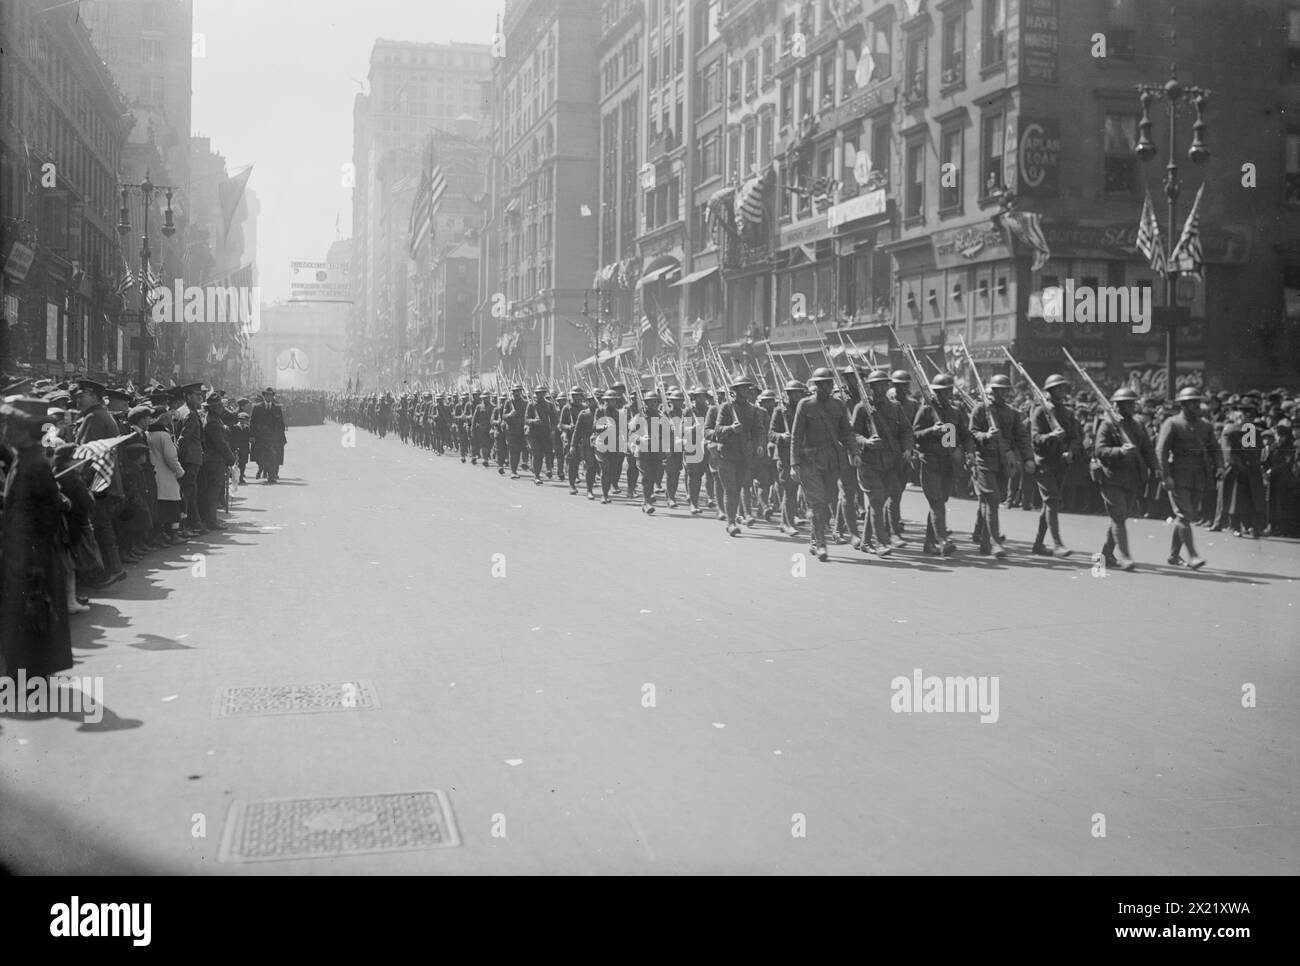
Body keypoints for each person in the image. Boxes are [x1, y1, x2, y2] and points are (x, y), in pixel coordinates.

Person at [0, 396, 74, 679]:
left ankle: (34, 675)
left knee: (34, 613)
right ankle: (27, 672)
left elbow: (46, 513)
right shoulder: (25, 460)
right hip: (23, 552)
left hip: (33, 556)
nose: (6, 433)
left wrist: (31, 554)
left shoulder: (35, 465)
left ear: (25, 432)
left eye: (12, 429)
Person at [790, 368, 861, 562]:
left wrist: (854, 452)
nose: (827, 387)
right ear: (816, 385)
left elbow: (847, 432)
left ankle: (814, 539)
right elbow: (796, 436)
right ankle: (821, 544)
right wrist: (793, 463)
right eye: (822, 384)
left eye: (829, 384)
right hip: (810, 462)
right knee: (818, 503)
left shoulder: (838, 405)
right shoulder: (805, 405)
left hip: (832, 461)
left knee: (828, 501)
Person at [1092, 387, 1160, 571]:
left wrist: (1155, 468)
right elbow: (1099, 450)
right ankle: (1125, 556)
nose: (1132, 406)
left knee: (1119, 517)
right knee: (1119, 516)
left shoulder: (1138, 425)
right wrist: (1119, 451)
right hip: (1112, 478)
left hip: (1133, 478)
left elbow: (1147, 449)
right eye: (1128, 403)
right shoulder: (1107, 425)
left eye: (1133, 403)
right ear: (1119, 405)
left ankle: (1106, 555)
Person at [968, 374, 1034, 557]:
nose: (1004, 393)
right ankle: (995, 542)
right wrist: (985, 436)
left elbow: (1021, 437)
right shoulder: (980, 409)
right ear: (993, 391)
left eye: (1006, 389)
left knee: (996, 498)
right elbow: (971, 433)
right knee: (993, 500)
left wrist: (1028, 458)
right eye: (1001, 390)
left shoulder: (1011, 412)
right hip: (985, 460)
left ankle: (984, 541)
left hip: (1004, 463)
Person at [1155, 386, 1221, 569]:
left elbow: (1215, 448)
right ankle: (1192, 556)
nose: (1195, 406)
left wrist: (1220, 466)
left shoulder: (1205, 425)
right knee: (1184, 515)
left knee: (1186, 515)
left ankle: (1174, 556)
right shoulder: (1172, 423)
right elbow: (1161, 451)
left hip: (1199, 476)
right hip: (1178, 476)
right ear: (1183, 405)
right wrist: (1166, 476)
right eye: (1191, 403)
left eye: (1197, 402)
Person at [72, 379, 127, 585]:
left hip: (98, 481)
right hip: (108, 479)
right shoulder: (102, 415)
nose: (77, 399)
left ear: (94, 396)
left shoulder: (93, 418)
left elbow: (85, 454)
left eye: (81, 395)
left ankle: (112, 569)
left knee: (101, 526)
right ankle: (113, 568)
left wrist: (78, 480)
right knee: (103, 525)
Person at [912, 373, 969, 556]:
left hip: (948, 464)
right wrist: (931, 431)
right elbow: (914, 435)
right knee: (937, 503)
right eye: (941, 392)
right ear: (934, 393)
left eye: (948, 391)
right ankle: (942, 540)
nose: (945, 395)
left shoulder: (954, 411)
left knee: (939, 502)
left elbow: (964, 435)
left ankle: (929, 543)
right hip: (930, 463)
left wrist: (969, 453)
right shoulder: (926, 410)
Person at [1029, 374, 1083, 557]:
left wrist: (1071, 452)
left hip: (1060, 464)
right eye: (1058, 388)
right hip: (1043, 463)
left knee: (1048, 505)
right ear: (1050, 391)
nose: (1061, 391)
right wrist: (1051, 436)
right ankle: (1058, 544)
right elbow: (1035, 439)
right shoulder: (1039, 412)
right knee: (1052, 500)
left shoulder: (1068, 413)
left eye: (1063, 388)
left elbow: (1076, 437)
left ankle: (1038, 543)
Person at [709, 376, 766, 537]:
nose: (747, 391)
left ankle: (735, 517)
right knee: (730, 488)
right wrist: (731, 429)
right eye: (743, 388)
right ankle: (731, 522)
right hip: (726, 454)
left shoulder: (753, 409)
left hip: (744, 456)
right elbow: (717, 430)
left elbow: (759, 430)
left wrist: (758, 444)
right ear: (735, 391)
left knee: (738, 488)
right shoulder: (726, 408)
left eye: (748, 388)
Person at [200, 392, 236, 529]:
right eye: (219, 405)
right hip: (214, 460)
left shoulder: (214, 419)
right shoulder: (213, 422)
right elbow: (220, 443)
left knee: (213, 491)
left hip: (214, 459)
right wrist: (230, 457)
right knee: (213, 491)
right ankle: (211, 520)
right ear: (214, 408)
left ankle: (211, 518)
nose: (222, 408)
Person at [250, 387, 287, 483]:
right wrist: (252, 435)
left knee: (272, 457)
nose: (269, 397)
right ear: (264, 396)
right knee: (260, 456)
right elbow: (252, 422)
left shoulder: (277, 408)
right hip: (260, 437)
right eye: (267, 395)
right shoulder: (257, 407)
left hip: (272, 438)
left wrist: (280, 436)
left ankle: (271, 476)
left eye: (271, 395)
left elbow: (281, 423)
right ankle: (261, 468)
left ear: (273, 396)